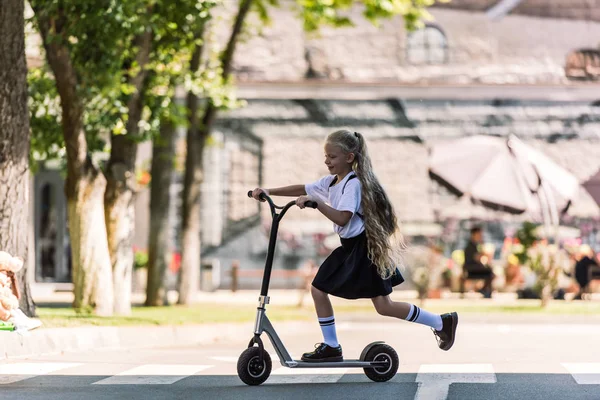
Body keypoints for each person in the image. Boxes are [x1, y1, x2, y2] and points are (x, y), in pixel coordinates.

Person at [251, 129, 458, 362]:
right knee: (320, 289)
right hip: (349, 248)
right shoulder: (331, 182)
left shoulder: (353, 185)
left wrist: (317, 204)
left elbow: (343, 218)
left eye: (332, 156)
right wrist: (269, 192)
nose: (327, 160)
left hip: (364, 250)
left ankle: (441, 322)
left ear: (349, 158)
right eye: (326, 156)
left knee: (384, 306)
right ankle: (331, 346)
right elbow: (304, 188)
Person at [462, 226, 494, 298]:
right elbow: (477, 258)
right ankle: (485, 291)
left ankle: (484, 290)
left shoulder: (475, 245)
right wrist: (484, 252)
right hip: (472, 270)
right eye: (479, 234)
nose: (480, 236)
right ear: (474, 234)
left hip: (473, 268)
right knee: (489, 272)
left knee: (489, 270)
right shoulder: (471, 246)